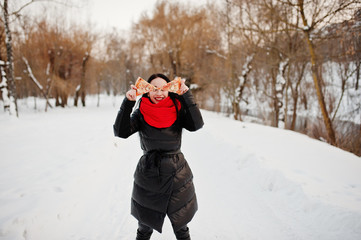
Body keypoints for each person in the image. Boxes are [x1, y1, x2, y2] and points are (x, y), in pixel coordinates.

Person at [113, 73, 204, 240]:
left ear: (169, 90)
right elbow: (120, 132)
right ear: (147, 91)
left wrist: (186, 95)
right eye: (154, 89)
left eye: (163, 89)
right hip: (149, 173)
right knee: (144, 225)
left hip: (177, 172)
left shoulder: (177, 108)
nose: (159, 93)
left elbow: (197, 124)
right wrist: (128, 102)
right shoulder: (141, 112)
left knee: (181, 225)